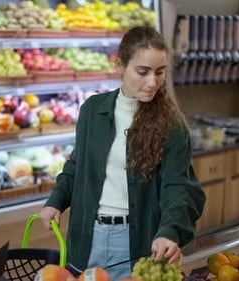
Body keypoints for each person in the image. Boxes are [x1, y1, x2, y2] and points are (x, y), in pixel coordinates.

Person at [39, 26, 206, 280]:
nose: (153, 82)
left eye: (160, 72)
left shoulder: (171, 124)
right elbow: (77, 165)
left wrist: (170, 231)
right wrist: (57, 200)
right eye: (143, 72)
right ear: (121, 65)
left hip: (135, 241)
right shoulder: (93, 110)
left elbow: (179, 187)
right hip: (87, 236)